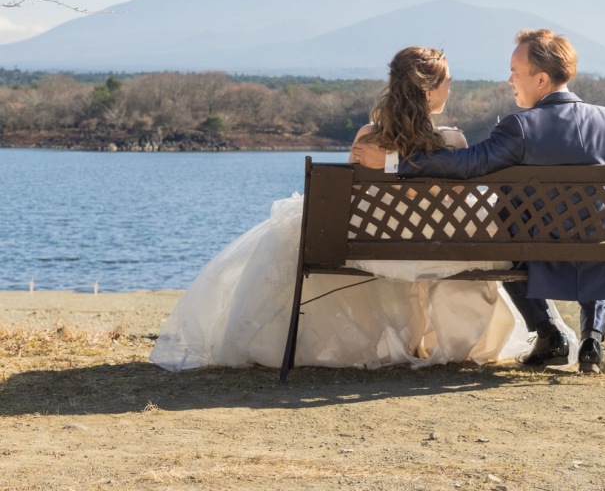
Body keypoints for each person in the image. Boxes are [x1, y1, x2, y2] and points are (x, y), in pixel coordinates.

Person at [150, 46, 571, 371]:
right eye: (448, 82)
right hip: (439, 253)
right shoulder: (454, 141)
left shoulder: (367, 137)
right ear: (429, 91)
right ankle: (439, 339)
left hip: (371, 248)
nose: (451, 88)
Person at [351, 29, 605, 376]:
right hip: (600, 246)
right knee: (599, 226)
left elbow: (468, 163)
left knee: (505, 222)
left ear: (541, 79)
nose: (509, 79)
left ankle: (547, 331)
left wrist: (394, 162)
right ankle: (592, 339)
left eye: (515, 71)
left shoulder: (521, 126)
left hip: (536, 247)